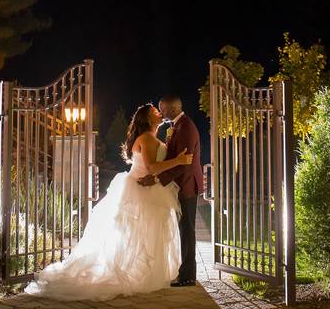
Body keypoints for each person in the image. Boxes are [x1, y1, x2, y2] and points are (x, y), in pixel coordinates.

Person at [24, 103, 193, 301]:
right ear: (148, 119)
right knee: (141, 233)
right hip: (141, 190)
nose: (159, 113)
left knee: (146, 233)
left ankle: (147, 273)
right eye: (155, 112)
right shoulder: (146, 138)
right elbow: (152, 167)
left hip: (150, 188)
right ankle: (139, 274)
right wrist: (178, 161)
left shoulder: (152, 137)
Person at [137, 94, 203, 286]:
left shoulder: (186, 128)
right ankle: (186, 272)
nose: (160, 113)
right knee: (184, 229)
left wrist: (157, 178)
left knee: (187, 230)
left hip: (187, 185)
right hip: (181, 184)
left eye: (162, 109)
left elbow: (185, 164)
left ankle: (188, 276)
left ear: (172, 109)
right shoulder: (178, 126)